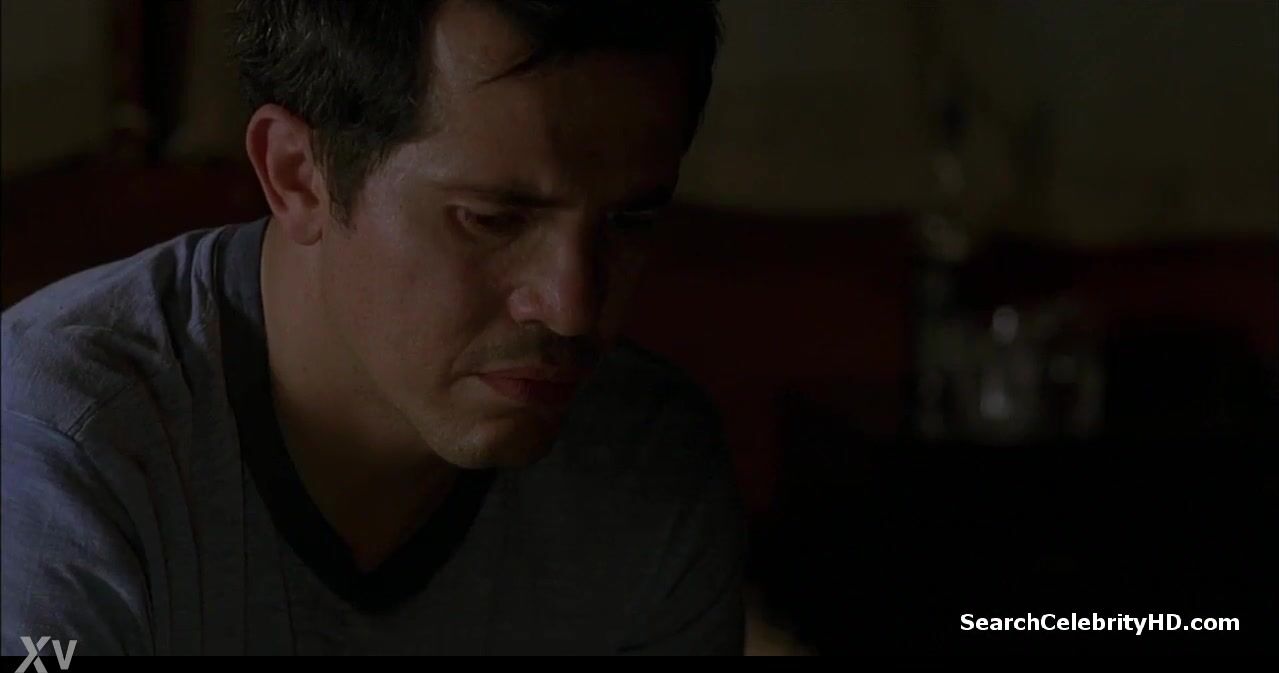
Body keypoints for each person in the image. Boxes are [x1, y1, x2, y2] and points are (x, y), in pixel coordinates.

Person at [1, 0, 744, 655]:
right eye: (491, 219)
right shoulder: (58, 449)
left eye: (630, 222)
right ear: (297, 174)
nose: (573, 310)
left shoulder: (645, 462)